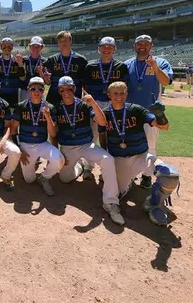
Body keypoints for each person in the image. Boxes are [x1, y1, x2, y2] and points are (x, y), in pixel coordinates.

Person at [100, 81, 180, 226]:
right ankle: (127, 184)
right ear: (109, 95)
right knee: (117, 193)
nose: (119, 96)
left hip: (141, 156)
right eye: (115, 93)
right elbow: (101, 133)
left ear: (127, 94)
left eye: (122, 93)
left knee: (170, 175)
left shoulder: (136, 109)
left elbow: (164, 127)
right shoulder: (104, 114)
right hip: (119, 160)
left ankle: (153, 204)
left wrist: (160, 115)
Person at [54, 76, 124, 225]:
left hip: (86, 145)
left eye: (69, 88)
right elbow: (52, 133)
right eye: (63, 89)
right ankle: (80, 166)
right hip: (67, 147)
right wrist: (56, 152)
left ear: (74, 89)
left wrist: (92, 103)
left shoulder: (84, 105)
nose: (66, 91)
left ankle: (111, 202)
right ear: (59, 91)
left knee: (108, 159)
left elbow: (102, 122)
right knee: (64, 179)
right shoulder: (57, 108)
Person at [124, 34, 173, 189]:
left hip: (150, 112)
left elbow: (166, 81)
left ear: (151, 46)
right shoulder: (127, 64)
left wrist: (155, 67)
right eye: (139, 43)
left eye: (146, 43)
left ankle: (146, 176)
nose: (142, 46)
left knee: (150, 146)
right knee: (129, 144)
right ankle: (129, 175)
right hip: (130, 112)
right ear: (135, 46)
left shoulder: (161, 62)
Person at [82, 36, 129, 179]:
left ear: (114, 49)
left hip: (113, 104)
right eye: (104, 47)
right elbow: (84, 87)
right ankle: (88, 167)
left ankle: (107, 170)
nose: (107, 49)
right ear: (99, 49)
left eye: (110, 47)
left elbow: (125, 88)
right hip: (95, 103)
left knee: (112, 136)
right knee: (93, 135)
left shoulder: (121, 67)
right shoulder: (90, 67)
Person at [10, 76, 65, 196]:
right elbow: (13, 129)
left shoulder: (49, 107)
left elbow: (52, 133)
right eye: (33, 89)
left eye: (40, 89)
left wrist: (47, 116)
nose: (36, 92)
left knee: (59, 160)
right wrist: (20, 149)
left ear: (43, 91)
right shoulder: (21, 106)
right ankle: (31, 165)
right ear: (29, 90)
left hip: (42, 143)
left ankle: (44, 177)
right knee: (29, 180)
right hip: (25, 145)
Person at [43, 31, 87, 105]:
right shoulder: (51, 60)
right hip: (55, 96)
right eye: (60, 41)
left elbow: (85, 82)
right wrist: (46, 79)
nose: (63, 43)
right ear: (58, 44)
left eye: (65, 40)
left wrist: (85, 96)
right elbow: (48, 82)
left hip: (74, 95)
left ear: (71, 41)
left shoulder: (81, 60)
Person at [0, 37, 26, 106]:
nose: (6, 47)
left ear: (12, 47)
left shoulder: (17, 61)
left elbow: (22, 78)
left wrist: (20, 64)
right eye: (4, 45)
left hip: (14, 95)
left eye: (9, 45)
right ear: (1, 46)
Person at [20, 36, 48, 102]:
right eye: (33, 46)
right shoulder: (23, 60)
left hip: (39, 91)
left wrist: (41, 73)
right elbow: (21, 77)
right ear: (29, 47)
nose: (35, 48)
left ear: (42, 47)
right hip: (25, 90)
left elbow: (47, 82)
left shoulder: (45, 61)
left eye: (38, 46)